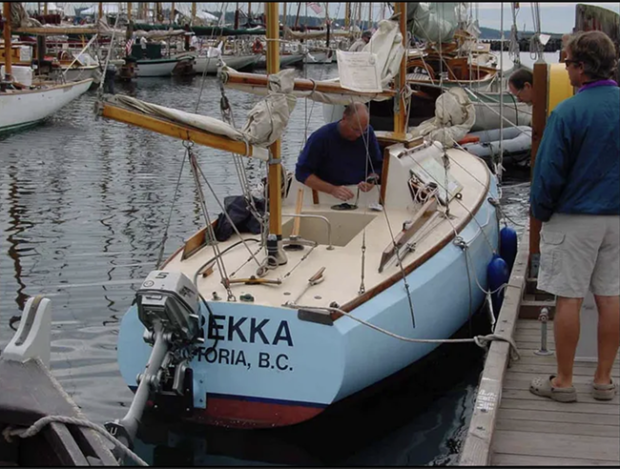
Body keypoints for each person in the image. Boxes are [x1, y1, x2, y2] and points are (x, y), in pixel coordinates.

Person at [529, 30, 620, 403]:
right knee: (611, 297)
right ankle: (603, 379)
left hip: (575, 215)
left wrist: (540, 212)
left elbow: (548, 173)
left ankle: (564, 381)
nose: (565, 69)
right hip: (617, 219)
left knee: (568, 298)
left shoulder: (567, 112)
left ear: (582, 67)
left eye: (567, 62)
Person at [295, 103, 383, 202]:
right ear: (344, 118)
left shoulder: (368, 134)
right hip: (326, 198)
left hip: (361, 197)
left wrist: (371, 179)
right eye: (355, 129)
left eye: (364, 130)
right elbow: (301, 173)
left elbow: (377, 166)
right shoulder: (320, 138)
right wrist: (332, 189)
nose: (359, 135)